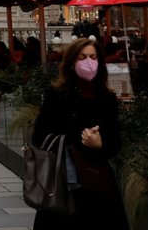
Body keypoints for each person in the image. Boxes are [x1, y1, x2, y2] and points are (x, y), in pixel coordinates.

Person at [32, 38, 128, 230]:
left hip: (97, 180)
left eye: (93, 57)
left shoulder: (106, 98)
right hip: (64, 180)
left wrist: (100, 144)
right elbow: (39, 135)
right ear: (71, 62)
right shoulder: (57, 94)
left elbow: (115, 141)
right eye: (82, 57)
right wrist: (77, 136)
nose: (88, 62)